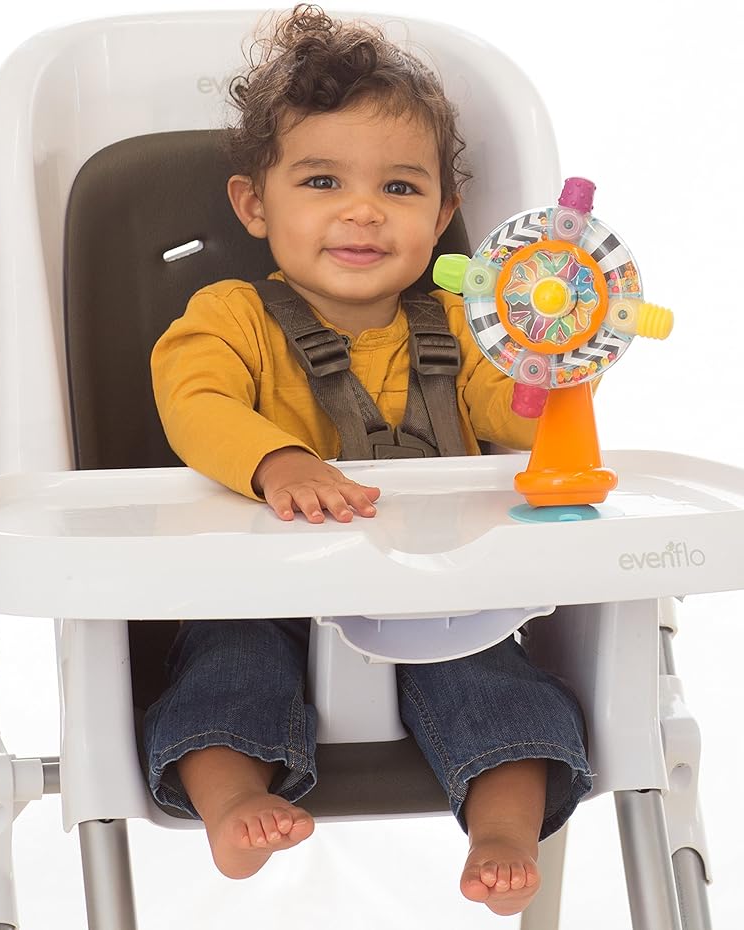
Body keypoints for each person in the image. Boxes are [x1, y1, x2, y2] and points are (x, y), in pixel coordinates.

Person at [145, 4, 591, 916]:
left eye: (399, 187)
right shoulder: (230, 316)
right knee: (226, 672)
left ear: (443, 214)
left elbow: (513, 421)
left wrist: (552, 366)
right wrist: (276, 461)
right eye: (321, 180)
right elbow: (194, 404)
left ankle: (504, 833)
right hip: (264, 598)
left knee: (504, 688)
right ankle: (233, 805)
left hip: (436, 600)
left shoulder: (465, 324)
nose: (362, 211)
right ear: (254, 204)